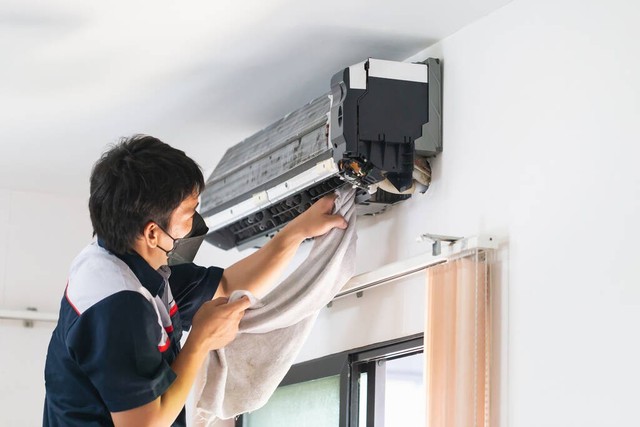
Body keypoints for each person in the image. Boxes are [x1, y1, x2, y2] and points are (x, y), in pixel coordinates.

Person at [43, 135, 347, 427]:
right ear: (152, 233)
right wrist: (200, 341)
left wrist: (297, 231)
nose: (194, 223)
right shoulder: (119, 305)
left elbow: (226, 285)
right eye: (189, 213)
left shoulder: (129, 261)